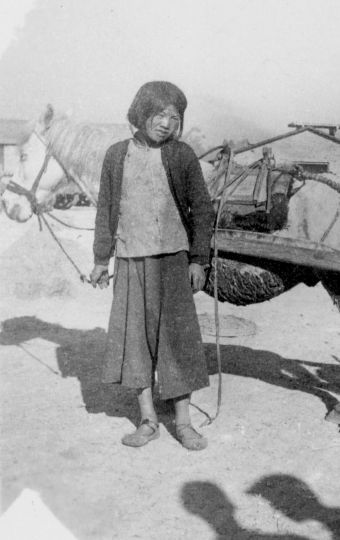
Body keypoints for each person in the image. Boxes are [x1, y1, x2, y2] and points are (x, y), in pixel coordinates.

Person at [89, 81, 215, 450]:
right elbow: (106, 209)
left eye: (173, 118)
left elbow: (203, 209)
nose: (165, 123)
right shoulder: (117, 155)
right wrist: (100, 259)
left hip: (173, 260)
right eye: (158, 115)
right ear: (141, 114)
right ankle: (147, 420)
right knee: (134, 342)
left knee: (177, 341)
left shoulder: (181, 155)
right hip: (130, 260)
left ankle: (184, 423)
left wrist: (198, 260)